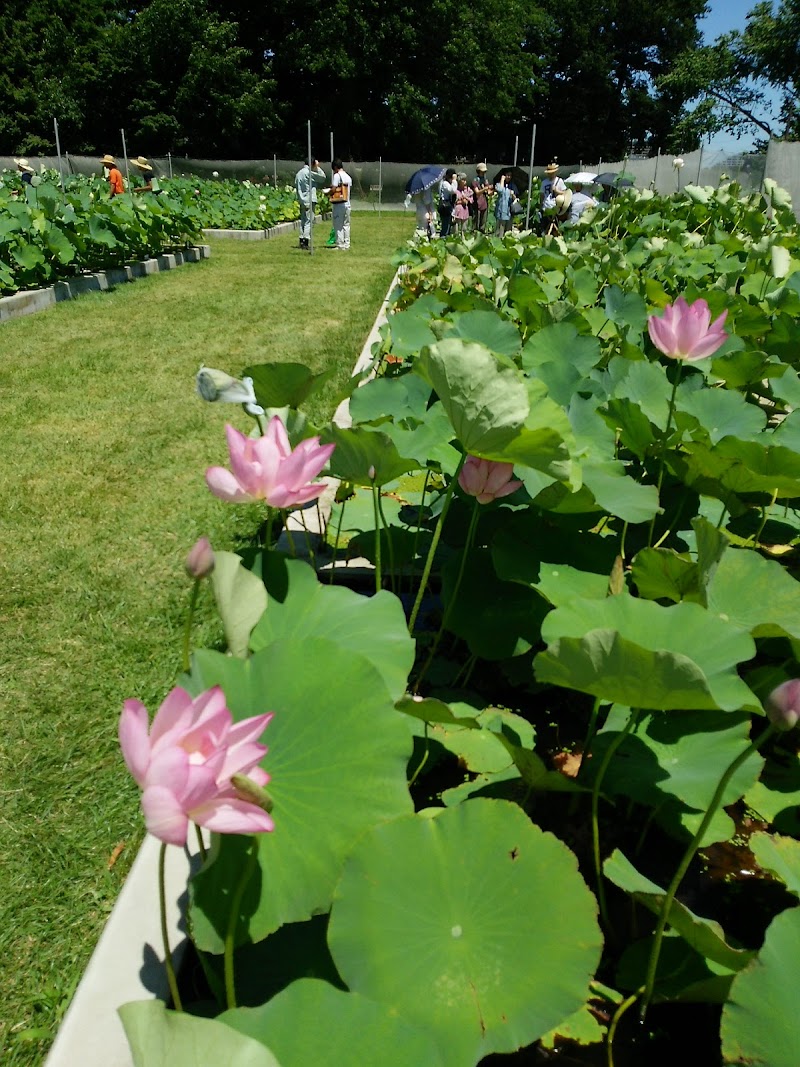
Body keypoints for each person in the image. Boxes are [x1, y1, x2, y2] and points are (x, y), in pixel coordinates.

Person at [294, 158, 327, 249]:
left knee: (303, 220)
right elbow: (322, 177)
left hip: (302, 199)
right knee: (309, 220)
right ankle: (306, 240)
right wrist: (317, 167)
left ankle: (301, 239)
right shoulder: (309, 173)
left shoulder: (299, 173)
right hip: (309, 199)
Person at [329, 158, 352, 250]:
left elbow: (334, 189)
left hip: (339, 204)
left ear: (335, 167)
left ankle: (340, 244)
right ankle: (347, 244)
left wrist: (329, 192)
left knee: (338, 225)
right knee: (346, 225)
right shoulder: (348, 176)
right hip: (347, 204)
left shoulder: (337, 176)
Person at [471, 162, 491, 233]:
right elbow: (477, 192)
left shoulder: (485, 180)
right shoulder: (475, 181)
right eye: (482, 172)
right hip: (477, 204)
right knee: (476, 222)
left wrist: (491, 190)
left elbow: (488, 192)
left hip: (484, 203)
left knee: (483, 222)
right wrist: (484, 189)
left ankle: (482, 234)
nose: (483, 173)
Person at [437, 169, 457, 237]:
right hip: (444, 206)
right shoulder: (445, 183)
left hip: (447, 205)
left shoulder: (445, 182)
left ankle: (445, 239)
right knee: (445, 226)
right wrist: (454, 180)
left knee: (448, 226)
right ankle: (443, 240)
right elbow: (453, 190)